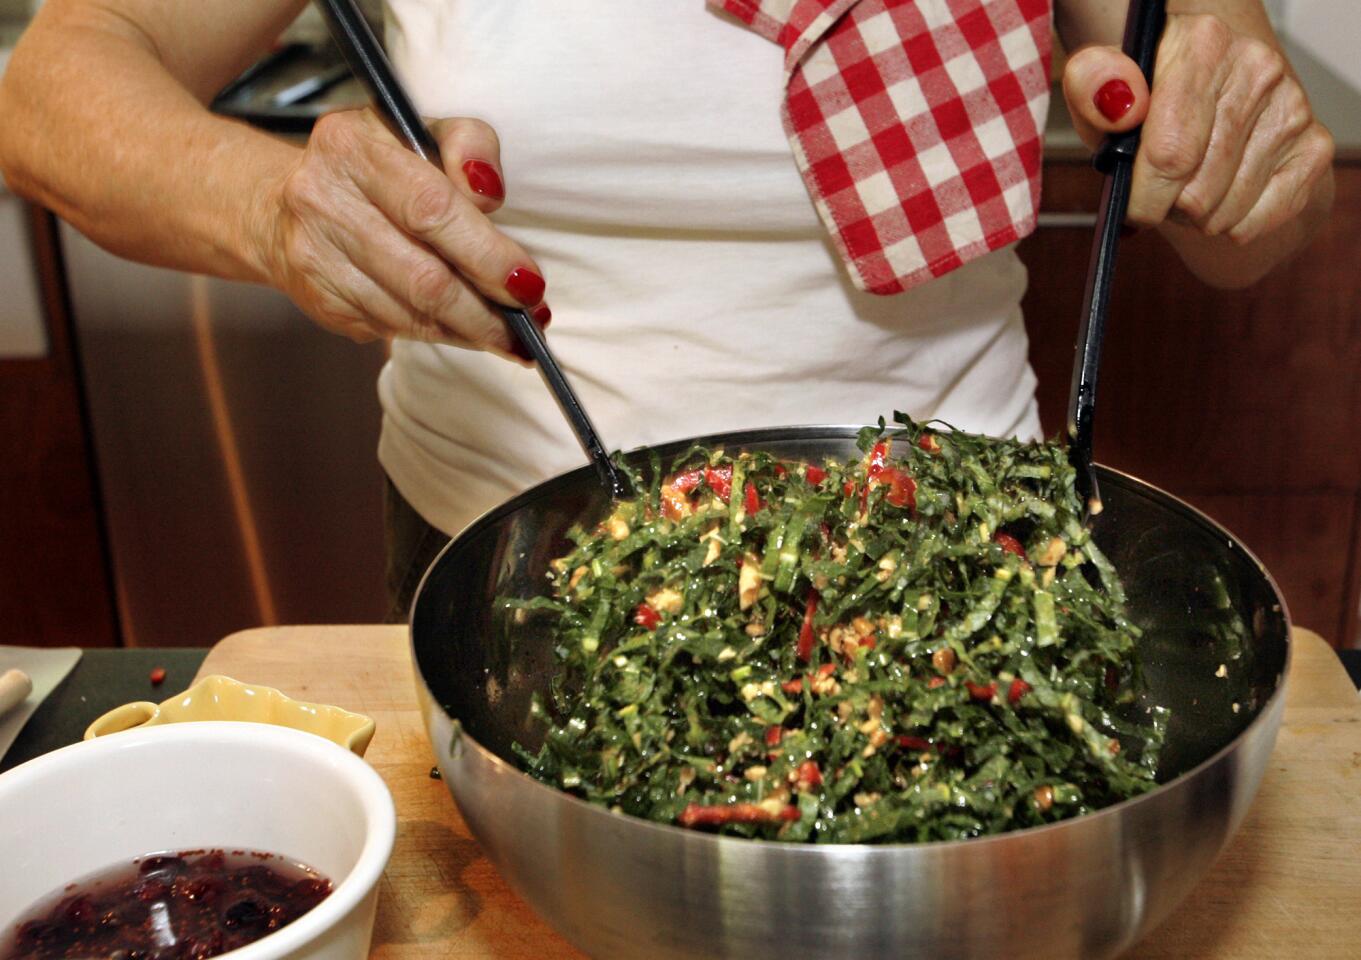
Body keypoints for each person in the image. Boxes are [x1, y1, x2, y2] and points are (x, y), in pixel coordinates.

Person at [0, 0, 1333, 617]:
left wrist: (1243, 166)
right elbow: (54, 79)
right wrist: (270, 204)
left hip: (963, 552)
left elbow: (1239, 224)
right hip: (517, 556)